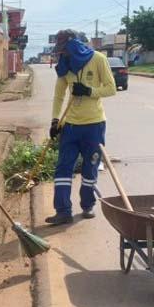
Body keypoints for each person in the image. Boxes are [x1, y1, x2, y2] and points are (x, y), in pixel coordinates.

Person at [45, 29, 116, 226]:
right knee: (63, 168)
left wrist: (89, 91)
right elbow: (59, 95)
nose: (63, 54)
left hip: (94, 125)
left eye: (65, 49)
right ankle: (63, 211)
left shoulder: (99, 59)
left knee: (90, 166)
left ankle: (87, 205)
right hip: (71, 126)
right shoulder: (64, 66)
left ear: (74, 45)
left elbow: (111, 88)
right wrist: (54, 121)